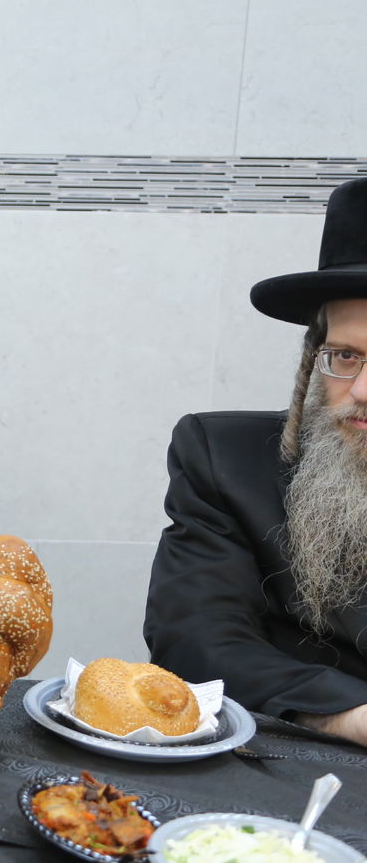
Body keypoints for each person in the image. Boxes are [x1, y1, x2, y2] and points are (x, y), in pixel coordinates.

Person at [145, 177, 367, 746]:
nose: (361, 389)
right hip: (290, 767)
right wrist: (350, 716)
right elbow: (196, 638)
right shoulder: (224, 460)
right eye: (347, 355)